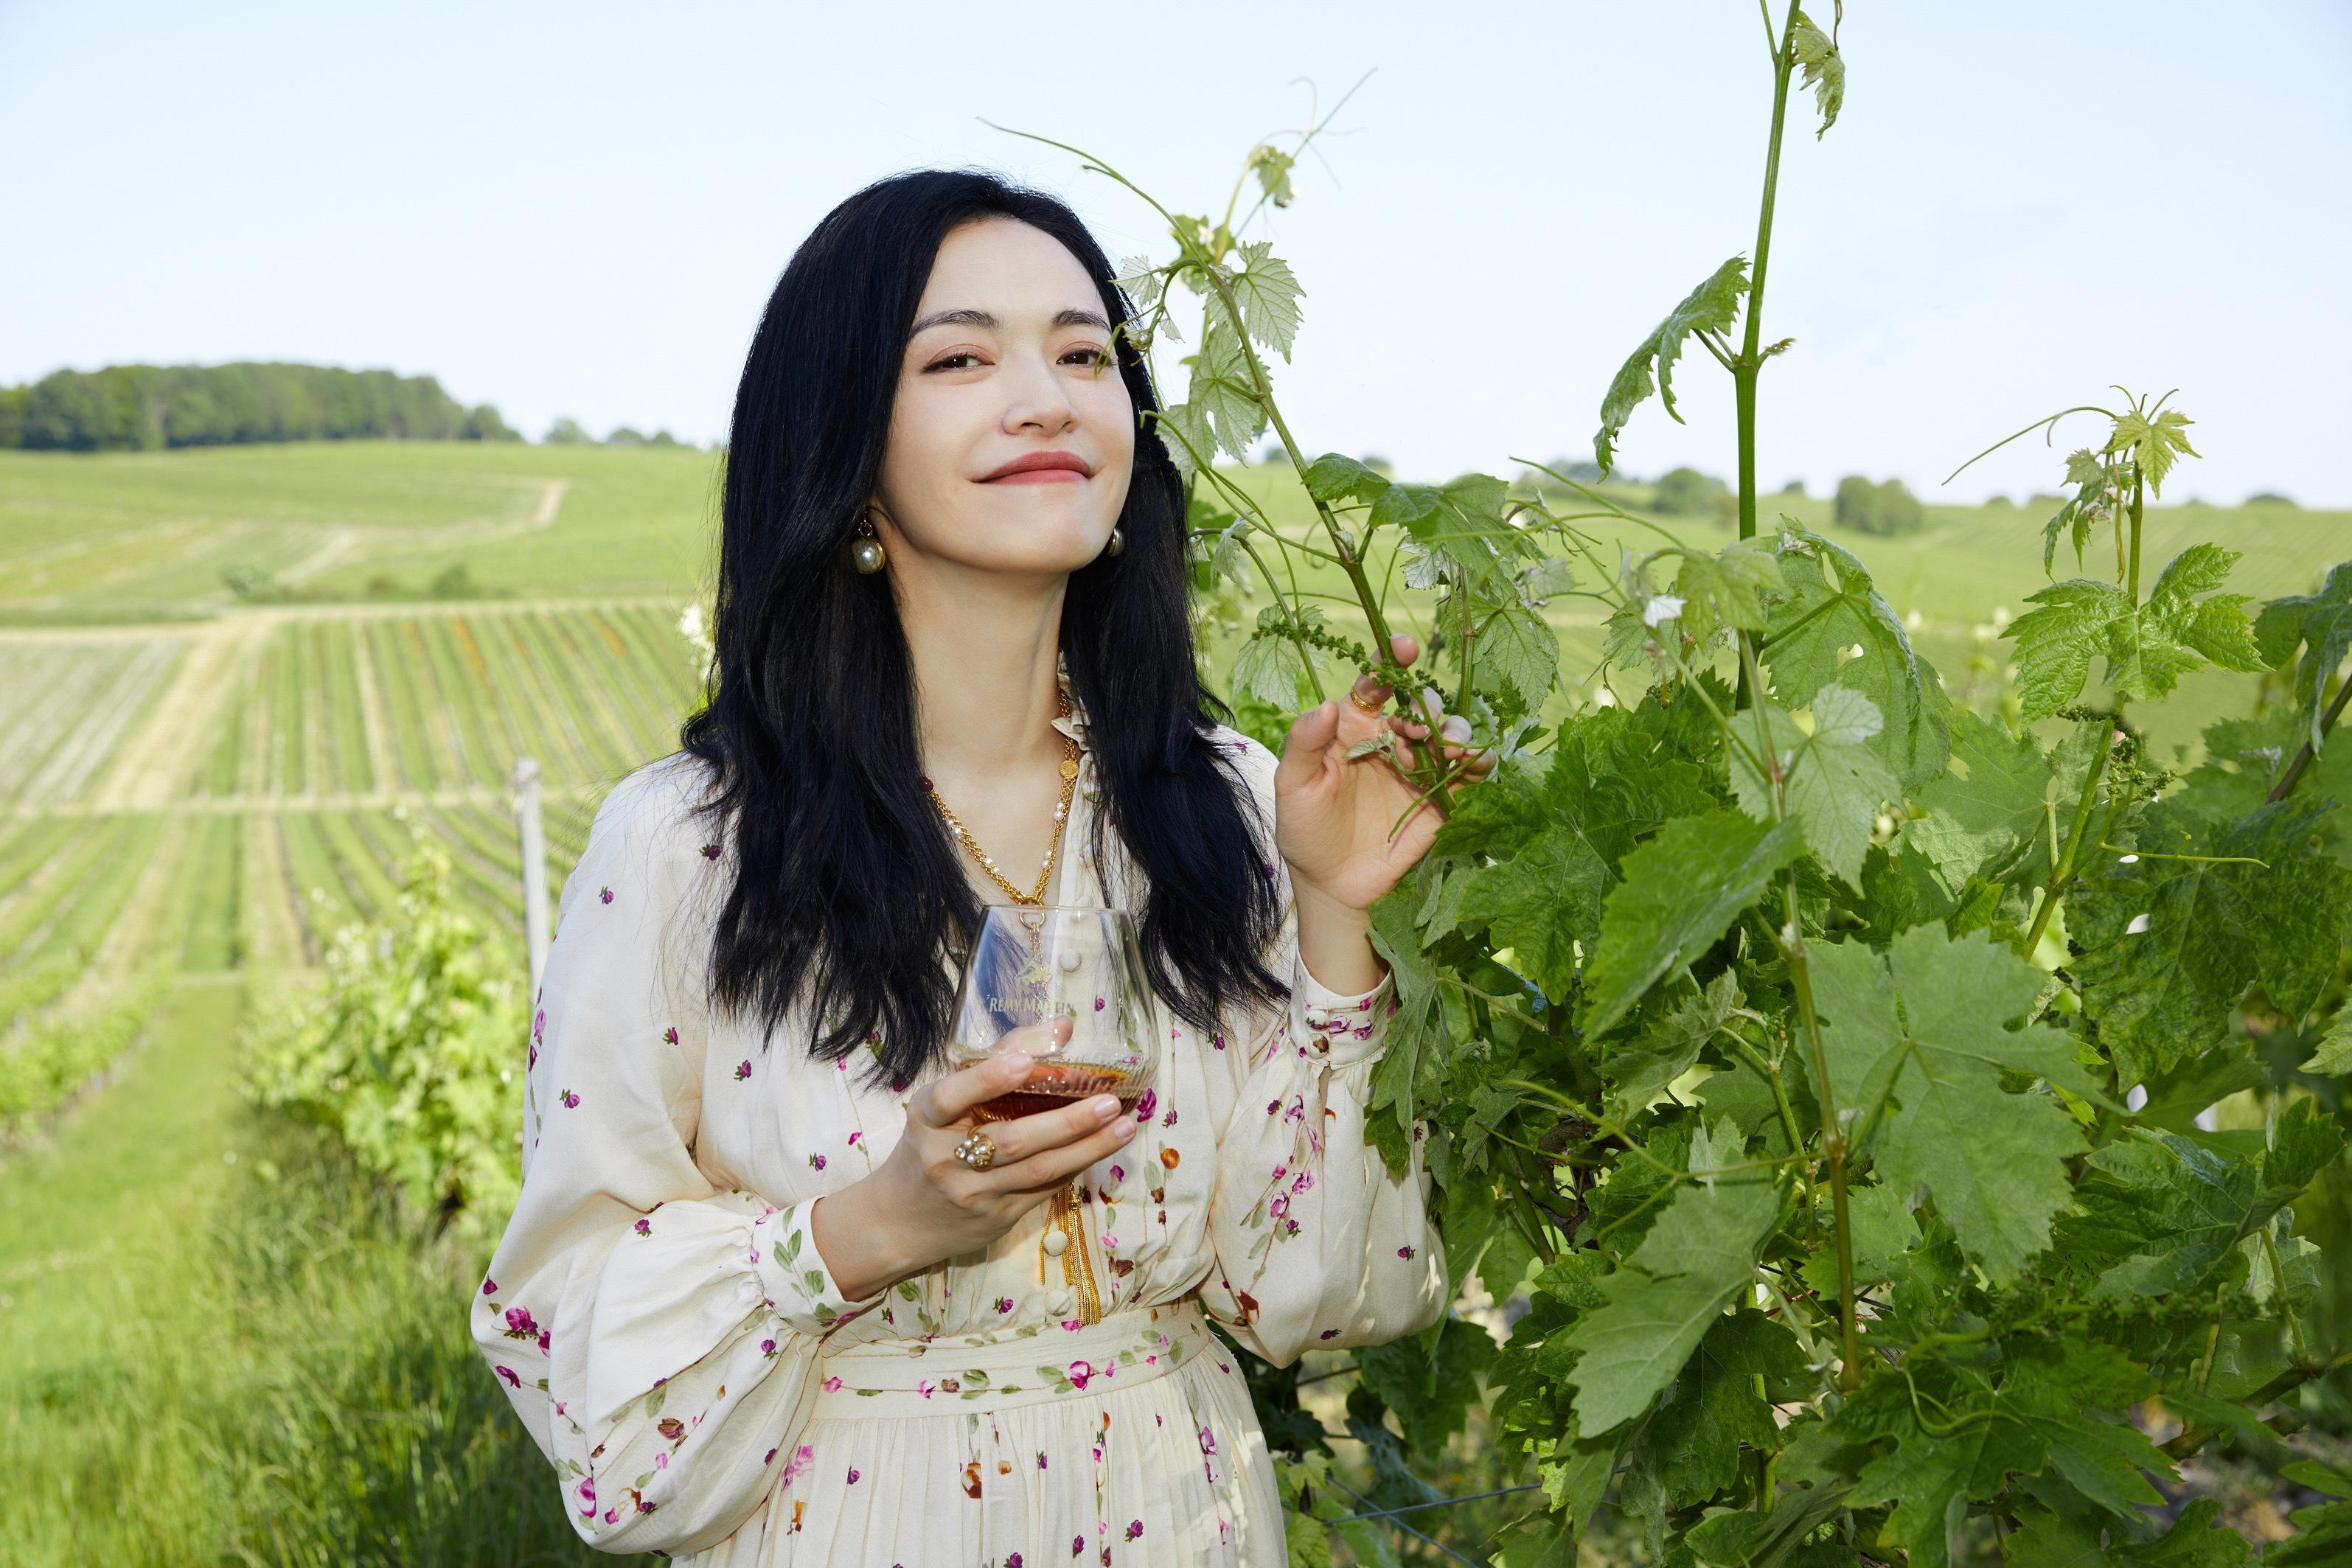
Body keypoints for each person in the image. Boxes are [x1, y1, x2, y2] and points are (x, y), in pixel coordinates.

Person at [471, 168, 1489, 1566]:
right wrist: (872, 1226)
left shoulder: (1236, 807)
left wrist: (1330, 914)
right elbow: (564, 1329)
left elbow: (1317, 1297)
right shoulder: (691, 846)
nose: (1047, 396)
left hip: (1180, 1513)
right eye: (960, 356)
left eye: (1085, 354)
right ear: (841, 447)